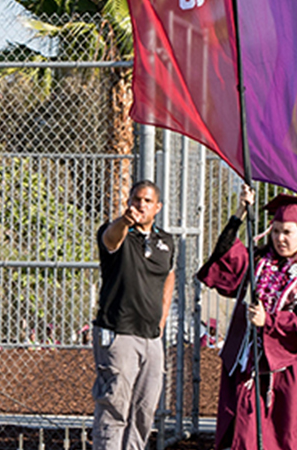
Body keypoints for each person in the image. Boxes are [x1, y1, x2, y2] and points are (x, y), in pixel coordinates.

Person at [196, 189, 297, 450]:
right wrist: (240, 213)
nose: (280, 238)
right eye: (276, 230)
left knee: (281, 436)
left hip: (285, 368)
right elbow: (225, 255)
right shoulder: (257, 263)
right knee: (244, 432)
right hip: (246, 361)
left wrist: (270, 321)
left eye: (287, 232)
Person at [92, 180, 175, 450]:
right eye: (137, 199)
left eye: (148, 201)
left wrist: (161, 322)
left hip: (151, 338)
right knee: (114, 406)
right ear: (129, 201)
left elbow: (168, 279)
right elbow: (110, 240)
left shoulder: (166, 241)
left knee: (144, 410)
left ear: (157, 207)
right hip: (119, 334)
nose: (141, 204)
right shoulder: (117, 230)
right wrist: (125, 222)